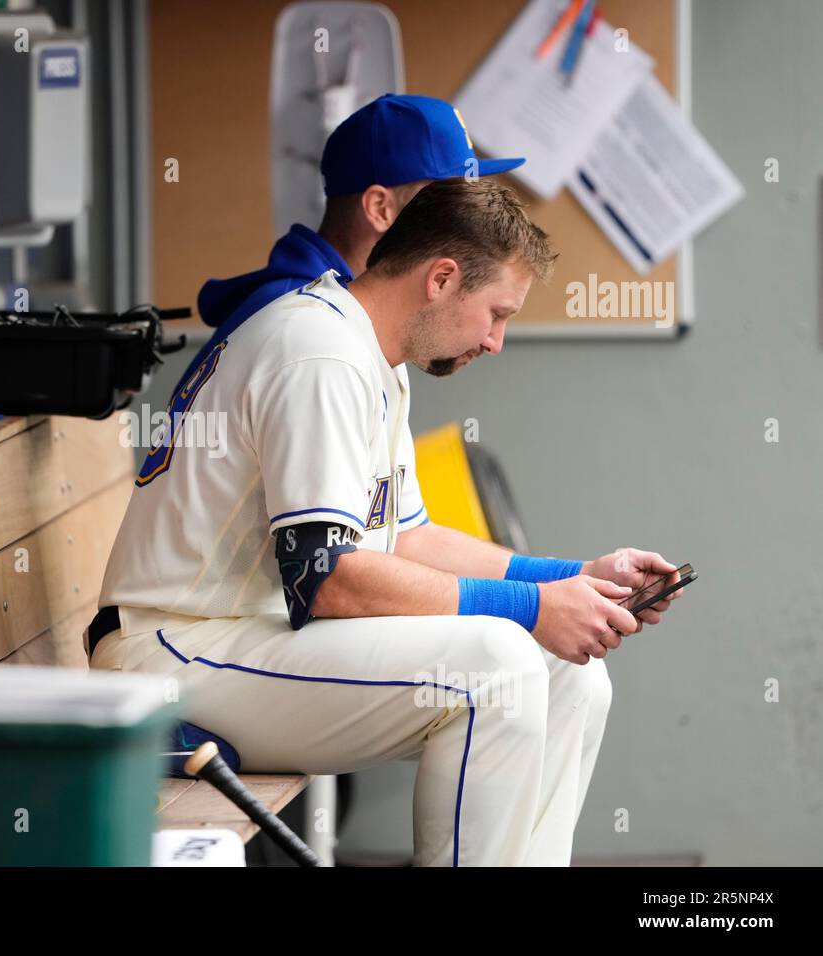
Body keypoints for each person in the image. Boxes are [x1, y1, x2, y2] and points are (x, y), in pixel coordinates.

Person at [89, 178, 685, 866]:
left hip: (245, 639)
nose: (496, 341)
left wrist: (575, 579)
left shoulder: (372, 354)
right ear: (442, 278)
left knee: (569, 671)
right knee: (499, 666)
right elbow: (325, 582)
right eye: (496, 313)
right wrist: (532, 607)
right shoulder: (318, 351)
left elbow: (408, 539)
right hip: (171, 651)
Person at [170, 93, 526, 398]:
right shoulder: (307, 327)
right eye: (448, 200)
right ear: (379, 208)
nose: (465, 219)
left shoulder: (350, 307)